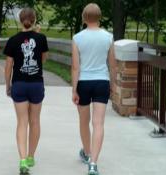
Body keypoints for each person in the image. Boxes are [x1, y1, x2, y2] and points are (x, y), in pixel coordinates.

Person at [71, 3, 117, 175]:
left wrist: (74, 89)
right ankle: (93, 163)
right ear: (100, 17)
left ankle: (87, 152)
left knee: (84, 121)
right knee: (98, 123)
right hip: (101, 82)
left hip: (83, 83)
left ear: (84, 18)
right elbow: (112, 65)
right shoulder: (108, 37)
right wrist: (112, 85)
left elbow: (75, 67)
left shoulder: (77, 38)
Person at [3, 8, 49, 175]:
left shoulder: (13, 40)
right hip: (36, 84)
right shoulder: (41, 38)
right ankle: (30, 156)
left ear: (20, 20)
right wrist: (37, 35)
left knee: (22, 122)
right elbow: (43, 59)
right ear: (34, 20)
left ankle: (22, 159)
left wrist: (7, 85)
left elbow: (8, 66)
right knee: (35, 120)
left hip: (19, 84)